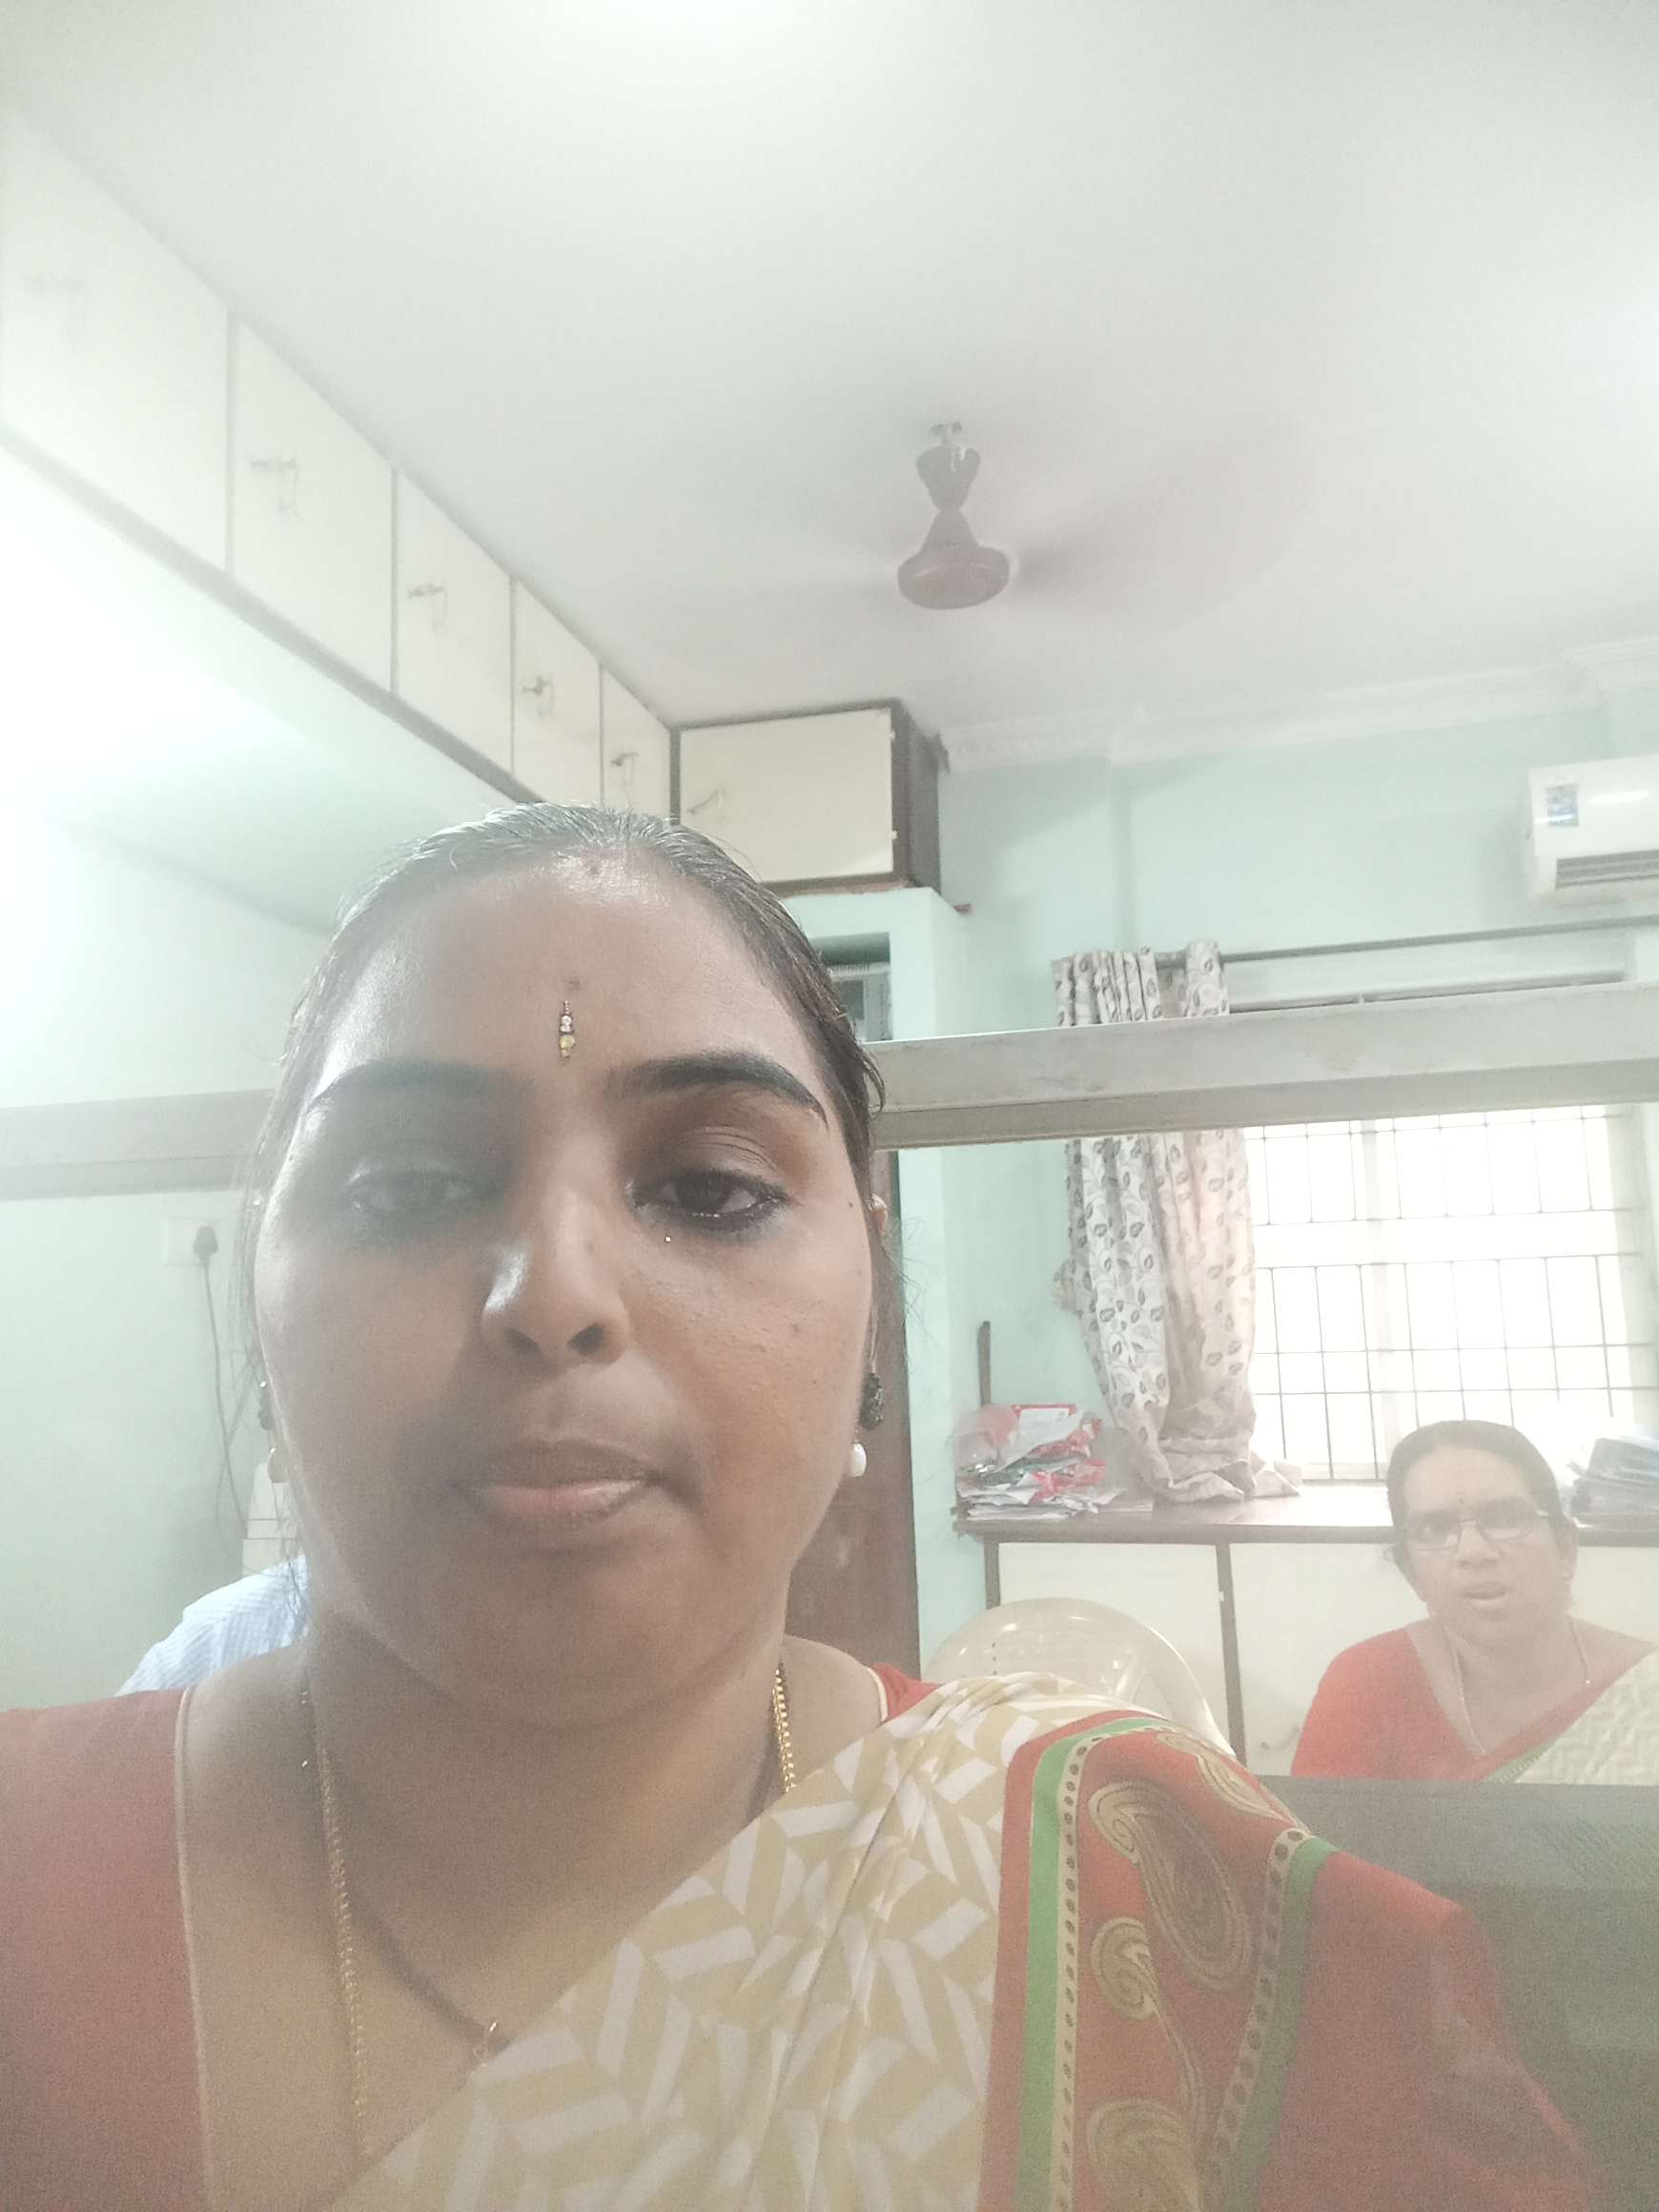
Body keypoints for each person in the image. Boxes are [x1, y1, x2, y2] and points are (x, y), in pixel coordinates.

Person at [3, 809, 1588, 2210]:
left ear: (870, 1300)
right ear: (258, 1289)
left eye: (709, 1190)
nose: (553, 1294)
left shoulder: (1160, 1906)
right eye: (405, 1186)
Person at [1295, 1417, 1657, 1783]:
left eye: (1504, 1518)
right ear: (1411, 1573)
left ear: (1565, 1547)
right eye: (1434, 1528)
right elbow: (1313, 1823)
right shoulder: (1366, 1683)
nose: (1473, 1552)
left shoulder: (1647, 1692)